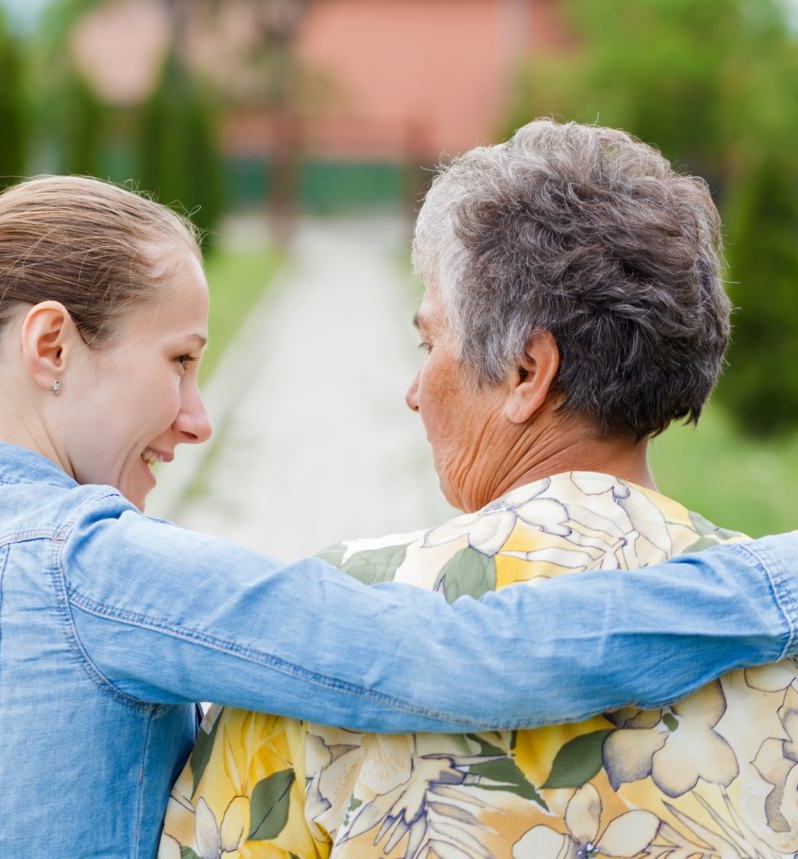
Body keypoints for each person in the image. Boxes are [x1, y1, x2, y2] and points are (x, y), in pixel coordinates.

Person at [0, 175, 793, 859]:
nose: (198, 417)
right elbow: (440, 654)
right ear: (49, 347)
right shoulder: (84, 568)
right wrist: (766, 580)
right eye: (177, 361)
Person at [165, 120, 798, 859]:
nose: (412, 391)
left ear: (528, 372)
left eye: (430, 343)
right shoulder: (774, 625)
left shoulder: (339, 622)